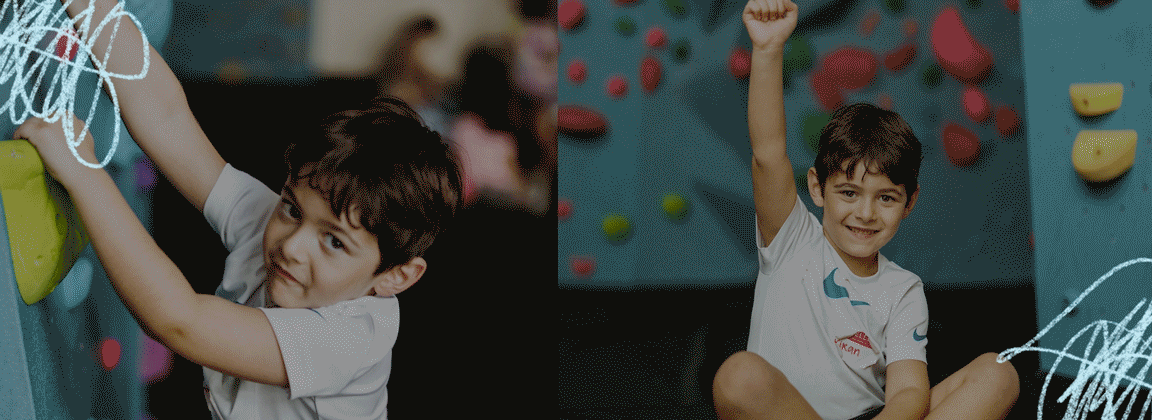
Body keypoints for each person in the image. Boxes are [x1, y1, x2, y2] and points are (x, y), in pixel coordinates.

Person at [16, 0, 461, 418]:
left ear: (396, 276)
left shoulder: (352, 338)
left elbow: (179, 320)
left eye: (334, 242)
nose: (292, 247)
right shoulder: (277, 228)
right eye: (291, 207)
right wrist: (92, 7)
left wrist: (83, 172)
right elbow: (169, 119)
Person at [711, 1, 1019, 419]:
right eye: (849, 193)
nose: (866, 213)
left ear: (909, 203)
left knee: (998, 373)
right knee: (739, 375)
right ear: (818, 189)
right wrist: (766, 50)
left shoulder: (902, 289)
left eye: (886, 198)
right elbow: (767, 152)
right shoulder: (792, 240)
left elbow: (909, 393)